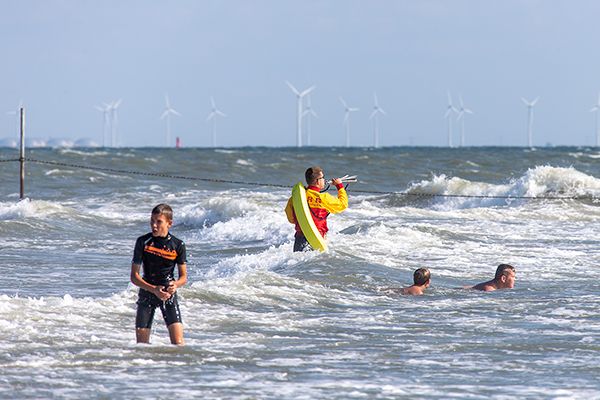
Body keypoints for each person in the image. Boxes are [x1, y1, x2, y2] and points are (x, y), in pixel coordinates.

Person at [130, 204, 188, 345]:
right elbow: (134, 277)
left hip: (168, 294)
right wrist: (153, 289)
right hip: (147, 293)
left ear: (169, 223)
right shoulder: (143, 242)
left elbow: (183, 277)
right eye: (152, 221)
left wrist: (175, 285)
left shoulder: (178, 245)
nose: (154, 226)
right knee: (142, 346)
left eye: (158, 222)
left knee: (178, 344)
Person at [285, 166, 348, 251]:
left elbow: (291, 219)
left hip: (299, 239)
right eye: (323, 178)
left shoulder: (295, 198)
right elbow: (343, 204)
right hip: (317, 239)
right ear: (317, 181)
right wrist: (339, 186)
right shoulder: (324, 198)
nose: (324, 180)